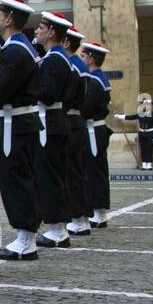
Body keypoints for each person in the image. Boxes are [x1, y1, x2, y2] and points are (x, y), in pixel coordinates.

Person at [0, 0, 42, 261]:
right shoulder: (23, 48)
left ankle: (25, 238)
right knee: (22, 178)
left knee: (15, 180)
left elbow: (0, 88)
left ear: (9, 19)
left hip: (14, 123)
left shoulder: (14, 50)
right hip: (22, 121)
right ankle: (26, 235)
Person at [32, 10, 75, 249]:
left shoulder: (55, 59)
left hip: (50, 122)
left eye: (41, 27)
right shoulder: (52, 57)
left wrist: (27, 88)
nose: (37, 30)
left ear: (51, 32)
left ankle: (58, 229)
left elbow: (47, 95)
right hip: (53, 121)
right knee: (50, 175)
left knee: (50, 177)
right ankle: (57, 227)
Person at [63, 28, 94, 236]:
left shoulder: (71, 65)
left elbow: (65, 95)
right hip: (78, 120)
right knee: (77, 173)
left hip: (71, 120)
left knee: (72, 174)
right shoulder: (80, 65)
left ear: (65, 42)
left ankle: (79, 217)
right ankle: (81, 216)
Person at [80, 41, 113, 227]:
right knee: (95, 170)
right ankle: (97, 211)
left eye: (84, 56)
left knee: (95, 172)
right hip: (96, 128)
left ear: (92, 58)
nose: (82, 59)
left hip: (94, 129)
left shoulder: (95, 80)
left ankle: (99, 212)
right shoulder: (99, 78)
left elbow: (86, 107)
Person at [116, 93, 153, 170]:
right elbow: (131, 117)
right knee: (143, 148)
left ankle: (149, 164)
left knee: (149, 148)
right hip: (142, 132)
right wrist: (119, 116)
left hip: (150, 132)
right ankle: (144, 164)